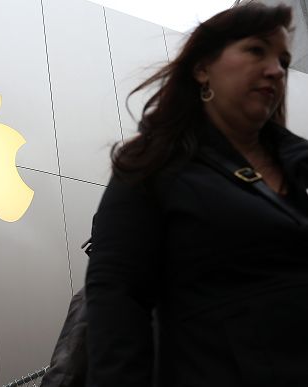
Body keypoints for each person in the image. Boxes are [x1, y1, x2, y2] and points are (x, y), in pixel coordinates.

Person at [86, 3, 308, 387]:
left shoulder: (301, 168)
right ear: (203, 68)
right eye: (256, 50)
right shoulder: (151, 167)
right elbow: (117, 300)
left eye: (283, 61)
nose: (275, 70)